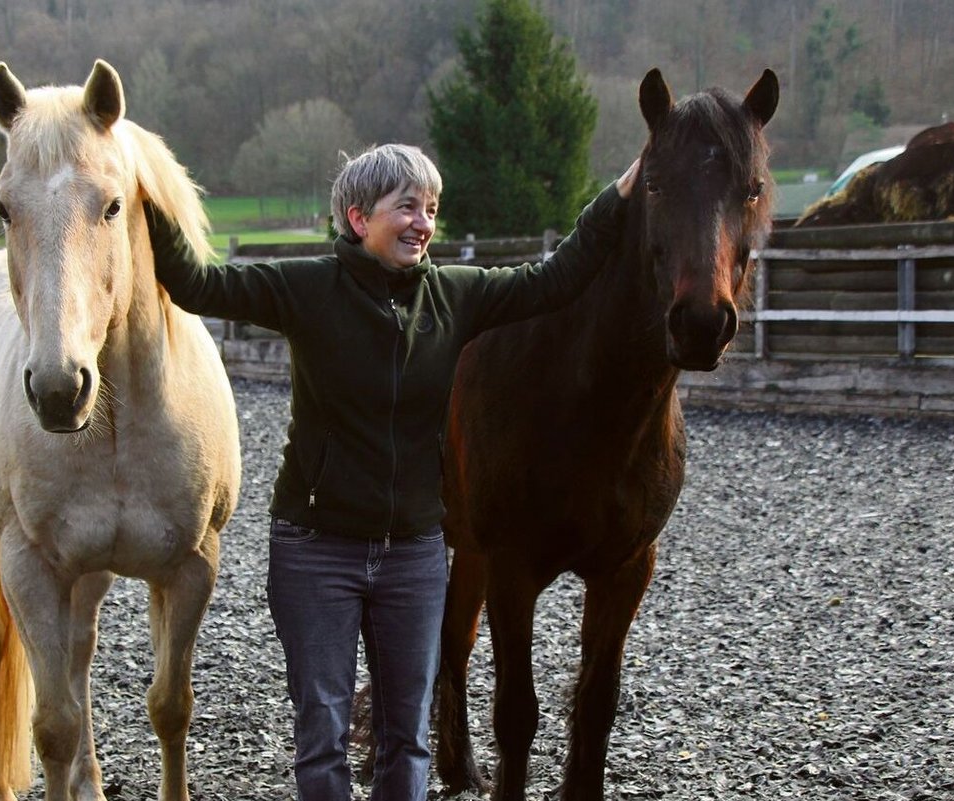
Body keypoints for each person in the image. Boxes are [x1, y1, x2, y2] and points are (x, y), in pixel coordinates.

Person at [146, 143, 638, 801]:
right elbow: (199, 283)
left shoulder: (455, 296)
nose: (423, 222)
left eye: (431, 208)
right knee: (321, 734)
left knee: (406, 737)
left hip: (413, 553)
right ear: (357, 217)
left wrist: (623, 193)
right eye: (406, 206)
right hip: (316, 550)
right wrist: (140, 192)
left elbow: (557, 277)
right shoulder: (308, 288)